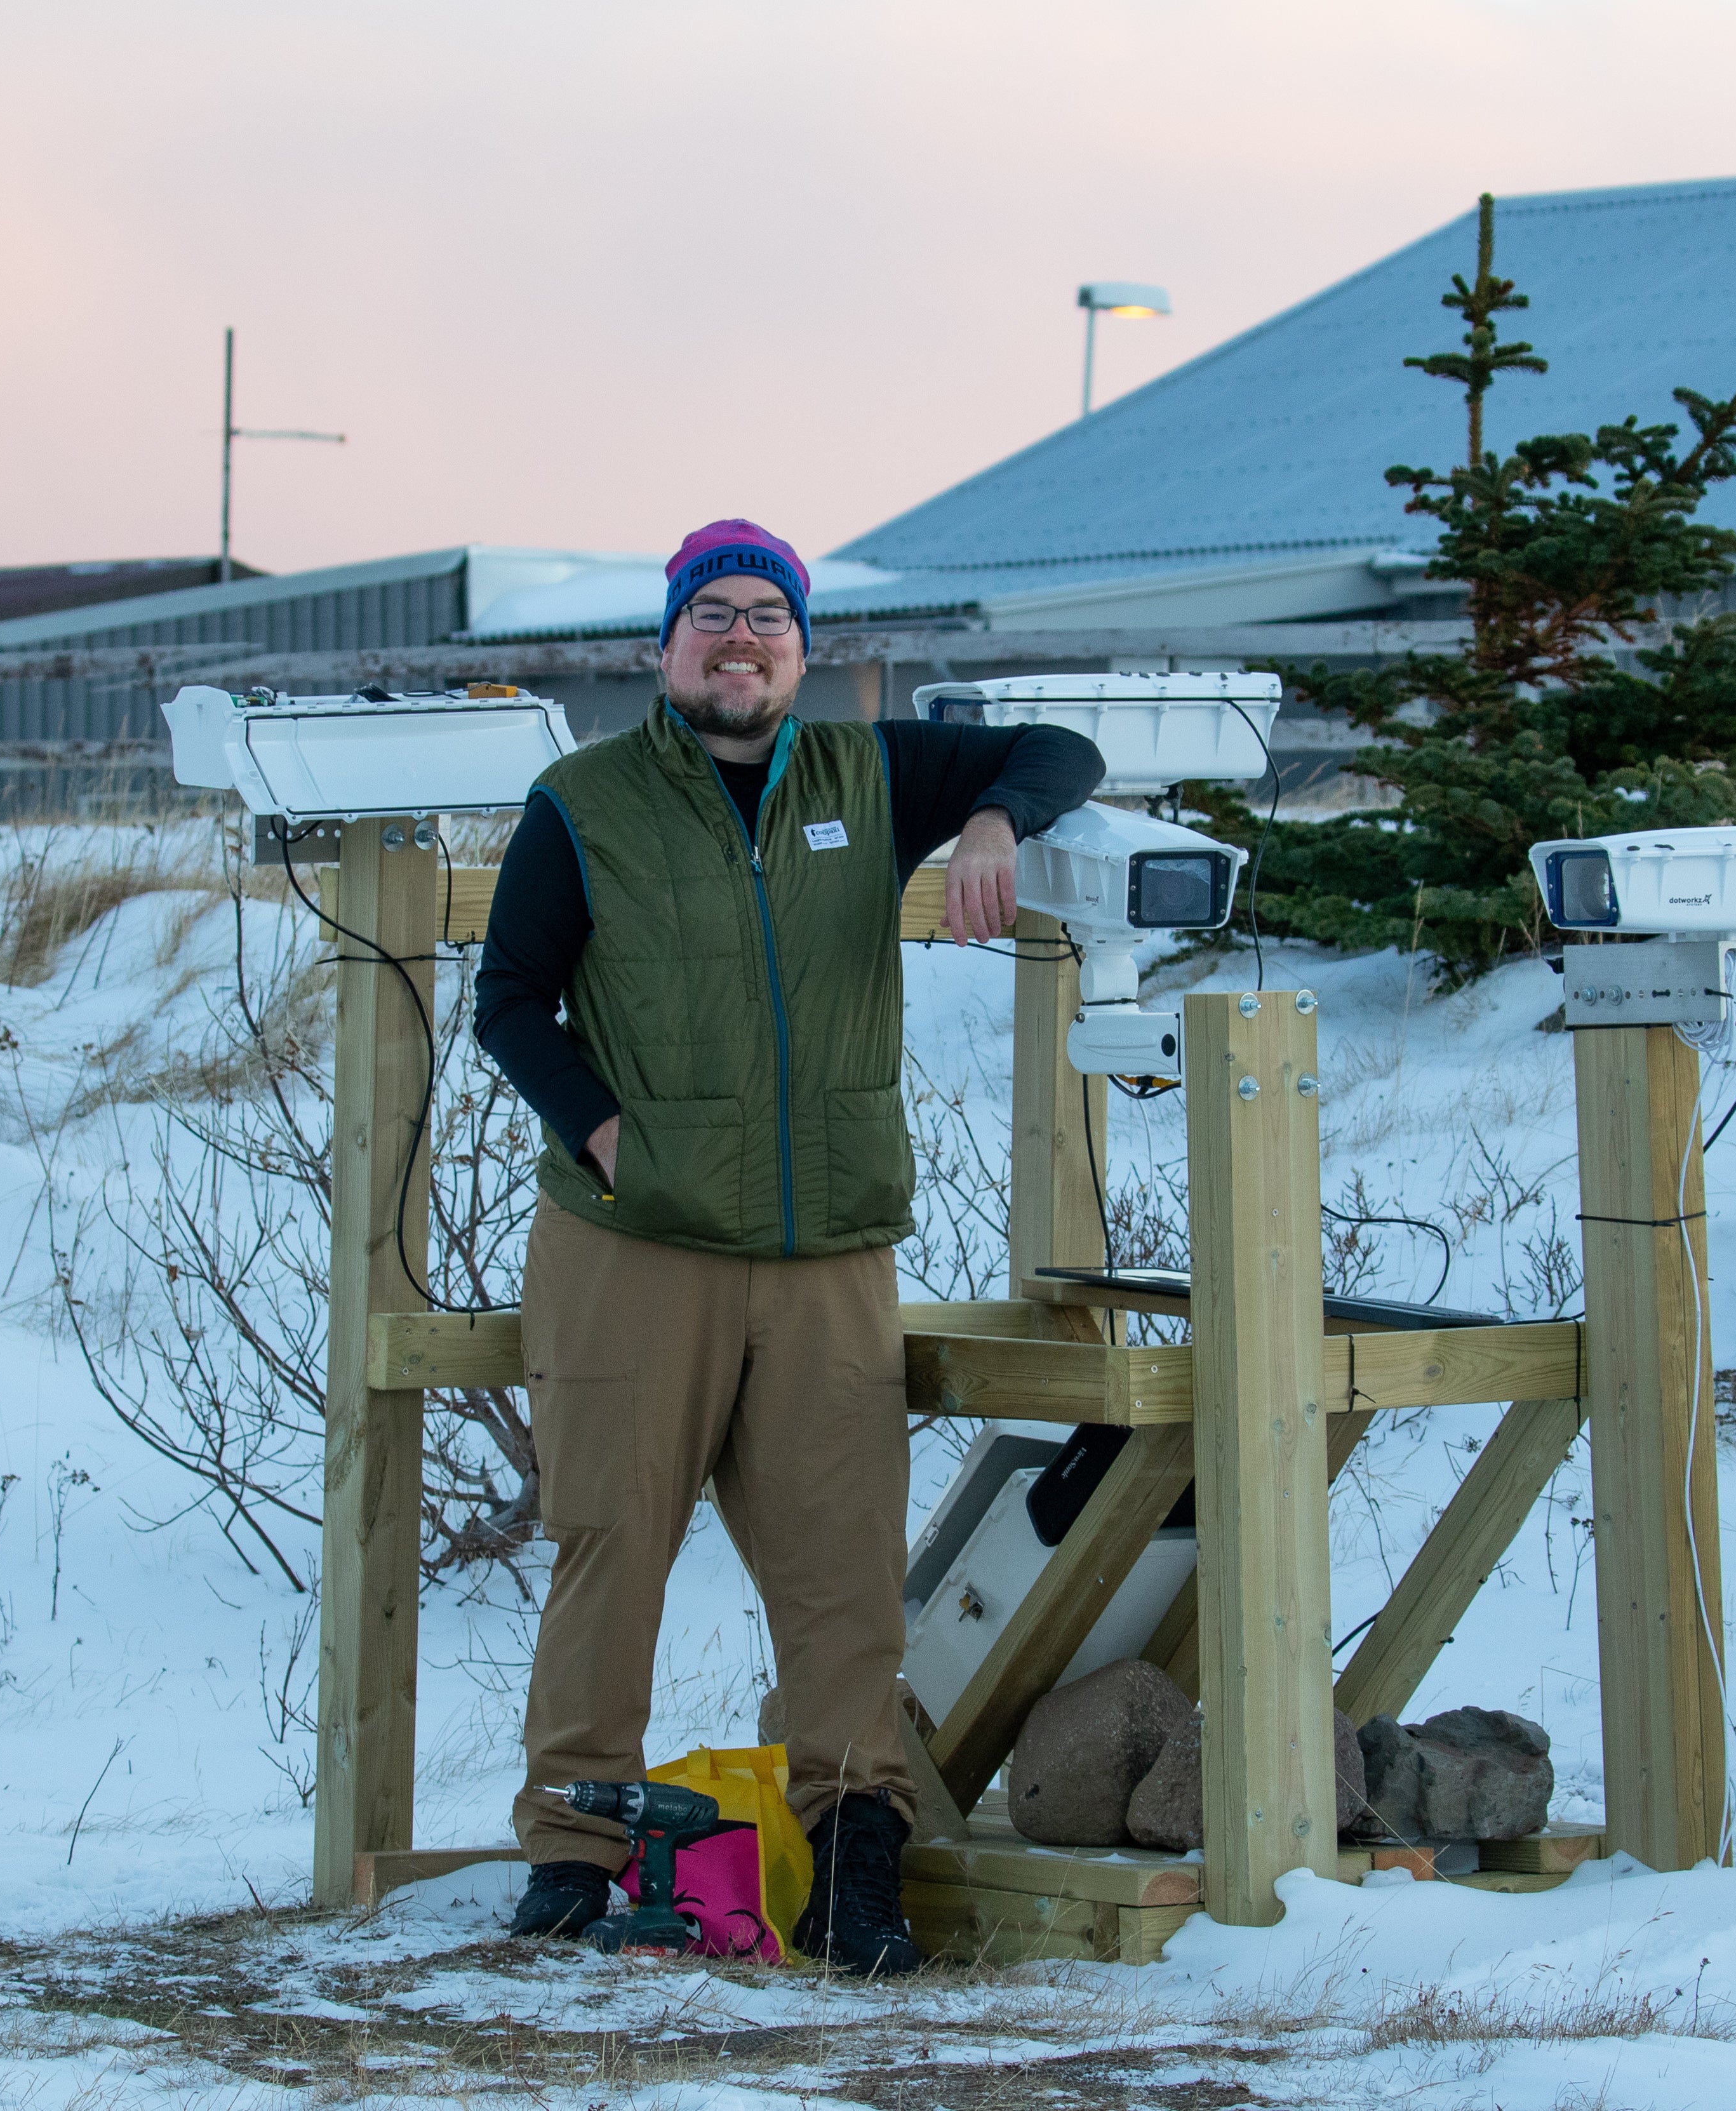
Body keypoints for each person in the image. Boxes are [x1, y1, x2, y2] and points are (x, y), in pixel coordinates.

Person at [472, 519, 1104, 1973]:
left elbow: (1062, 748)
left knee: (838, 1575)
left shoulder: (866, 775)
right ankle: (573, 1851)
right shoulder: (582, 801)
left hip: (828, 1255)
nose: (741, 637)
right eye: (713, 616)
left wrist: (995, 823)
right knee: (609, 1549)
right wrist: (608, 1136)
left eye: (768, 615)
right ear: (666, 647)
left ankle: (853, 1853)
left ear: (803, 650)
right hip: (634, 1248)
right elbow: (511, 999)